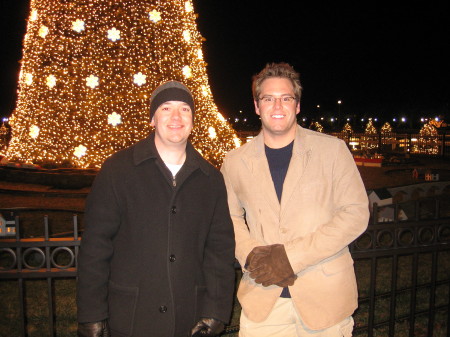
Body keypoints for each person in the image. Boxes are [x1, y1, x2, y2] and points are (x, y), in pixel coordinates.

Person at [220, 63, 369, 337]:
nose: (277, 106)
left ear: (297, 105)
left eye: (286, 98)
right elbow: (228, 217)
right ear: (257, 106)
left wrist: (291, 258)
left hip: (326, 301)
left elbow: (355, 213)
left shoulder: (332, 151)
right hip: (263, 301)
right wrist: (251, 255)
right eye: (268, 98)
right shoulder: (234, 161)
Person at [77, 81, 236, 337]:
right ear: (152, 118)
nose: (176, 117)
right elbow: (95, 247)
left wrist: (216, 310)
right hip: (130, 317)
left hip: (189, 319)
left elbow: (219, 251)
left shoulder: (210, 179)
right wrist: (91, 314)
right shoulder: (118, 170)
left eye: (184, 109)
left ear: (193, 120)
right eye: (166, 108)